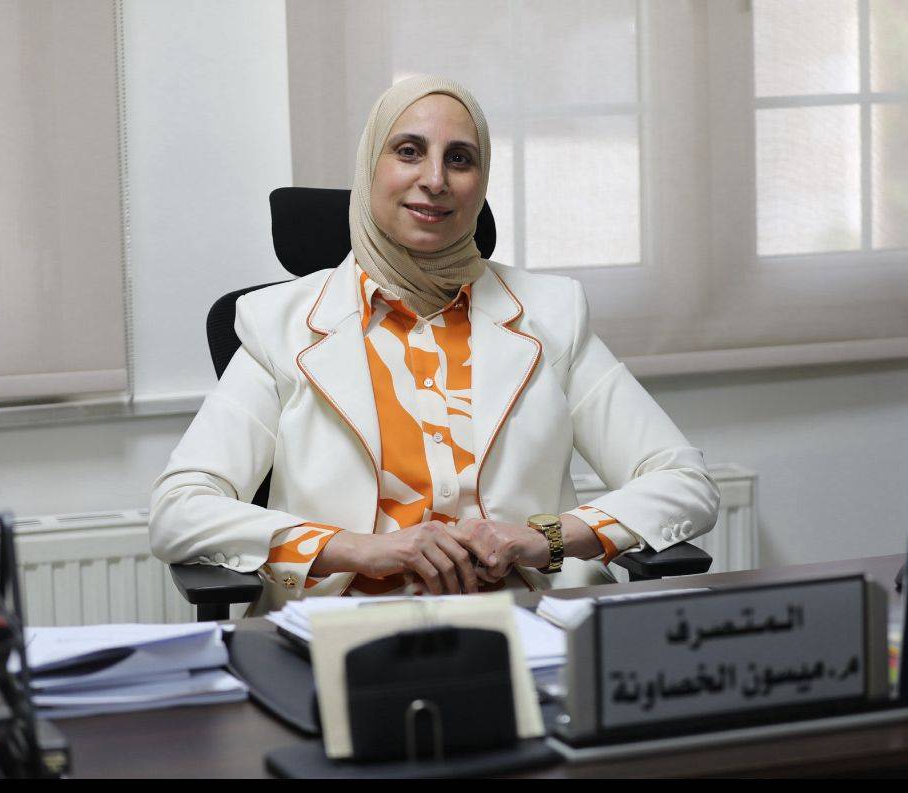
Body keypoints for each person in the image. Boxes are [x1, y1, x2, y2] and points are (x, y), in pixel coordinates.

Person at [149, 75, 720, 612]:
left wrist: (541, 538)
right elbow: (180, 509)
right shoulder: (277, 325)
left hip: (527, 621)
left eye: (460, 159)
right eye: (408, 151)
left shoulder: (552, 314)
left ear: (481, 182)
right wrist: (359, 549)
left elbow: (682, 481)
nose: (435, 179)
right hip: (344, 628)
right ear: (370, 167)